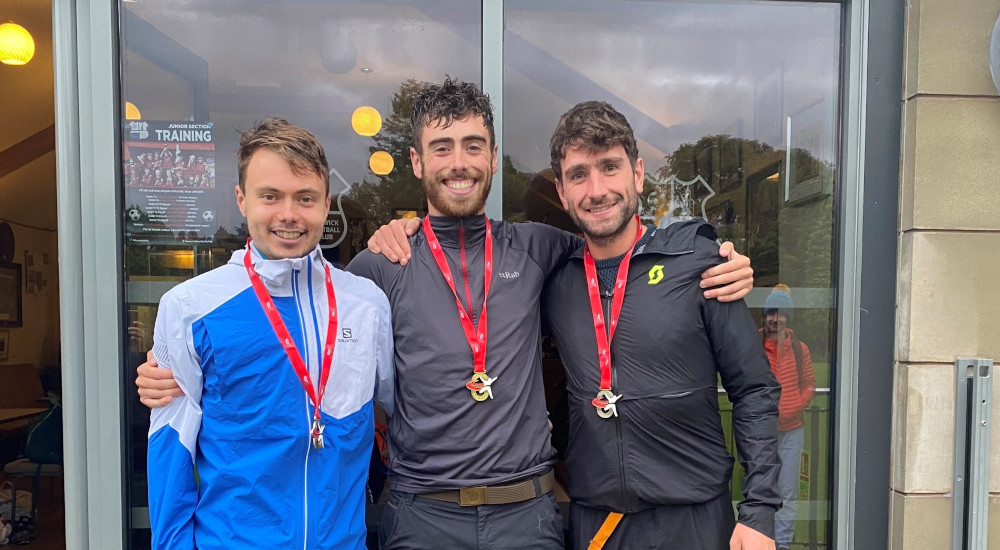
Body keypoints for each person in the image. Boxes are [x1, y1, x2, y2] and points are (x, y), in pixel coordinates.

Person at [137, 79, 754, 549]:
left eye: (473, 146)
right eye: (442, 147)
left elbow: (618, 241)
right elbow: (303, 343)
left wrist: (706, 249)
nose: (458, 161)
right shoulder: (376, 271)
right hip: (421, 516)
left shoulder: (538, 247)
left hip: (526, 515)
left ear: (491, 159)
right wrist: (175, 377)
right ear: (416, 162)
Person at [145, 117, 394, 550]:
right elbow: (172, 451)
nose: (288, 215)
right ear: (242, 200)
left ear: (326, 203)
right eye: (270, 196)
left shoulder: (367, 303)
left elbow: (400, 417)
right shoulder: (189, 307)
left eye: (305, 198)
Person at [761, 284, 815, 550]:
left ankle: (781, 545)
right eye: (771, 312)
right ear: (765, 315)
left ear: (788, 317)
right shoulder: (753, 344)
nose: (776, 318)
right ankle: (760, 542)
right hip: (761, 431)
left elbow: (809, 385)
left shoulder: (799, 349)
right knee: (759, 491)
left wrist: (795, 405)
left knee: (788, 494)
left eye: (781, 313)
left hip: (792, 431)